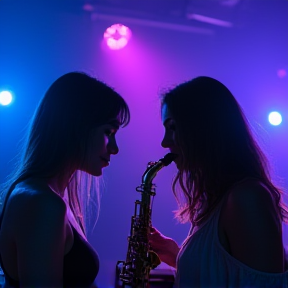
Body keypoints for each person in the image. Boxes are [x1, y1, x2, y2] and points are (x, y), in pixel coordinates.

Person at [149, 76, 288, 288]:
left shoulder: (247, 198)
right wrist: (176, 255)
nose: (165, 141)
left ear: (204, 127)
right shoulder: (217, 199)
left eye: (173, 127)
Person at [0, 72, 130, 288]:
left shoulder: (45, 197)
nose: (115, 148)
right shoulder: (42, 203)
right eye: (108, 131)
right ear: (76, 127)